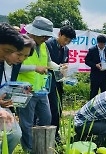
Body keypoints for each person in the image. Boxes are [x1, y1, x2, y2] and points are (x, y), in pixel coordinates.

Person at [17, 16, 59, 152]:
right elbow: (14, 66)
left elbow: (48, 63)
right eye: (44, 36)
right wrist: (34, 67)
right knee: (27, 122)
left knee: (47, 118)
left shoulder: (44, 46)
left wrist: (59, 67)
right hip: (25, 90)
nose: (46, 39)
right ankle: (29, 149)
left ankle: (42, 146)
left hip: (41, 90)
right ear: (35, 32)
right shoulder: (21, 43)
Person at [0, 34, 35, 154]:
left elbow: (8, 86)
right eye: (19, 54)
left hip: (4, 105)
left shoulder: (15, 65)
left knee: (15, 135)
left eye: (25, 56)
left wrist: (21, 90)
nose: (21, 59)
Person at [45, 25, 76, 143]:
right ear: (59, 34)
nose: (66, 42)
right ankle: (47, 133)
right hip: (47, 81)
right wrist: (58, 67)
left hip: (58, 82)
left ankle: (55, 133)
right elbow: (46, 62)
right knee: (49, 109)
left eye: (69, 41)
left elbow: (64, 64)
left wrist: (65, 67)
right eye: (65, 39)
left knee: (58, 108)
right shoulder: (48, 44)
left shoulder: (66, 50)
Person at [85, 35, 106, 99]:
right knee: (94, 92)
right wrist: (95, 65)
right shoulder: (92, 50)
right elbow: (87, 61)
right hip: (95, 75)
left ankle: (103, 107)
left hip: (104, 74)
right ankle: (91, 107)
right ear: (98, 43)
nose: (103, 46)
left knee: (104, 93)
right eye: (101, 44)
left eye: (104, 44)